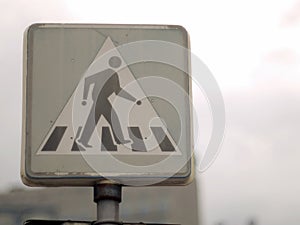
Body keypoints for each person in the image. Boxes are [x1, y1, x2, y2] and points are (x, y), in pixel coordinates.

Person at [77, 56, 137, 148]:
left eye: (117, 62)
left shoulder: (114, 74)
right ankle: (118, 139)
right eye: (114, 62)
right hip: (99, 98)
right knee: (113, 118)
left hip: (102, 99)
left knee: (94, 119)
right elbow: (88, 80)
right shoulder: (106, 72)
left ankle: (83, 139)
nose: (116, 63)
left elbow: (118, 91)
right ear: (110, 63)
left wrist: (133, 99)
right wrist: (85, 98)